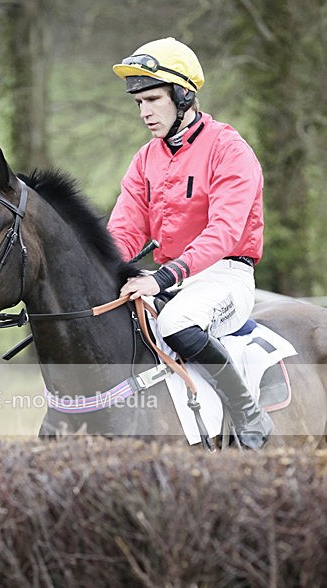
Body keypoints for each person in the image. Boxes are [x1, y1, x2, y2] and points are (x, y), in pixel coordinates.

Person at [108, 37, 273, 449]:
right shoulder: (145, 159)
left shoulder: (229, 149)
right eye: (139, 103)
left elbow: (224, 232)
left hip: (225, 276)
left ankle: (249, 415)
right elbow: (124, 231)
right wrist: (97, 270)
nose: (144, 112)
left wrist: (161, 277)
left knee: (176, 322)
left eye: (153, 100)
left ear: (183, 95)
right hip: (171, 279)